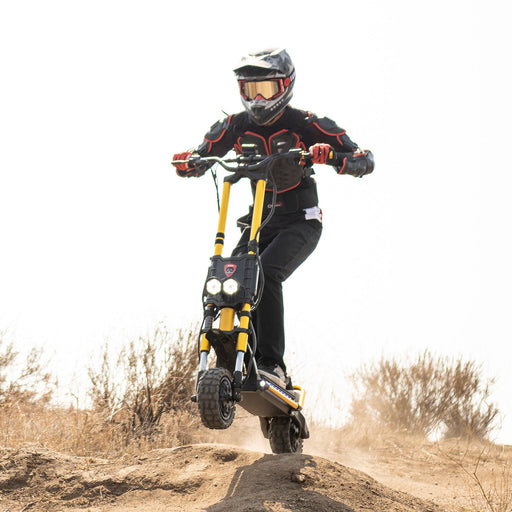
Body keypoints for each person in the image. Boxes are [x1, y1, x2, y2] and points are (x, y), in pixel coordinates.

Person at [172, 48, 374, 388]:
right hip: (259, 223)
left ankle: (272, 365)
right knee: (227, 278)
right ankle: (237, 359)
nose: (259, 99)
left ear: (286, 85)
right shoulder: (234, 126)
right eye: (251, 90)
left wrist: (331, 157)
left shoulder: (305, 124)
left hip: (301, 220)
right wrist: (188, 163)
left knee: (263, 274)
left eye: (266, 88)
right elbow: (202, 154)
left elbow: (364, 159)